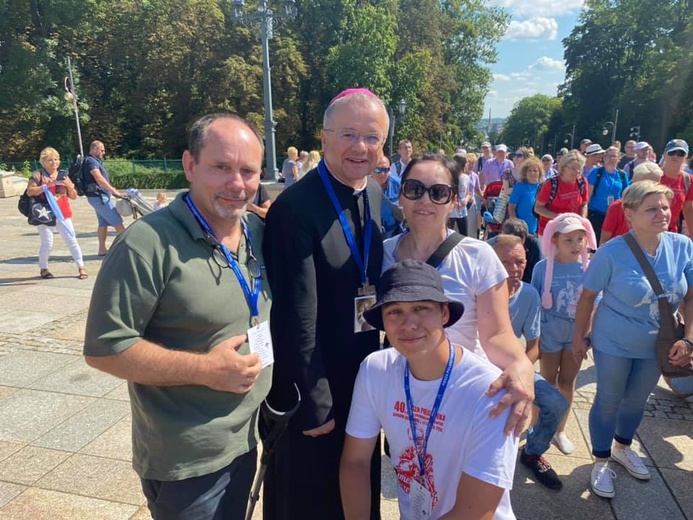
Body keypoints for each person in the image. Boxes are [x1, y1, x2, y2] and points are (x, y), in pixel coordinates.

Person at [83, 113, 271, 519]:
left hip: (246, 437)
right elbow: (104, 348)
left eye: (247, 171)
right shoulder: (147, 243)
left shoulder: (256, 231)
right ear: (189, 165)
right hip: (189, 462)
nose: (237, 184)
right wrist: (205, 369)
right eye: (221, 167)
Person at [262, 88, 387, 520]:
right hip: (315, 385)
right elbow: (295, 315)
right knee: (314, 496)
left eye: (372, 137)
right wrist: (315, 399)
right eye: (349, 134)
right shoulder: (295, 208)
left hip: (361, 377)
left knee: (357, 489)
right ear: (325, 137)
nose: (360, 147)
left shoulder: (373, 193)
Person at [340, 260, 519, 519]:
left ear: (445, 314)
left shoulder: (489, 391)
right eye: (394, 312)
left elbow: (477, 511)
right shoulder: (375, 370)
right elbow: (355, 462)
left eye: (421, 308)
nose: (409, 324)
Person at [383, 154, 535, 437]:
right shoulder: (382, 254)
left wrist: (521, 364)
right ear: (400, 196)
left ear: (454, 201)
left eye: (438, 192)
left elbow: (497, 334)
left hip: (461, 393)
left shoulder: (478, 256)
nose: (425, 200)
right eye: (414, 189)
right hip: (401, 396)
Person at [573, 181, 693, 499]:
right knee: (609, 400)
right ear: (630, 213)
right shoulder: (613, 252)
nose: (662, 213)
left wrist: (690, 339)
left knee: (637, 401)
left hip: (657, 345)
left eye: (665, 207)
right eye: (651, 208)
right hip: (613, 341)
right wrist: (578, 339)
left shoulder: (683, 246)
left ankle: (622, 447)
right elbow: (587, 297)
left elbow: (692, 297)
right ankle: (600, 459)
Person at [493, 235, 568, 490]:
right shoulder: (478, 292)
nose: (514, 269)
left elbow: (535, 346)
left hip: (514, 367)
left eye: (519, 262)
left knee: (557, 403)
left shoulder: (529, 295)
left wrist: (520, 372)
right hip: (481, 367)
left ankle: (533, 451)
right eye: (505, 262)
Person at [531, 213, 597, 456]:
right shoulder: (542, 267)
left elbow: (594, 304)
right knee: (547, 382)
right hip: (550, 331)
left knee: (568, 381)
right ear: (555, 240)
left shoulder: (589, 268)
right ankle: (536, 425)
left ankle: (560, 430)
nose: (576, 245)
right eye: (569, 240)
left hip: (576, 333)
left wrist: (587, 337)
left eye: (580, 239)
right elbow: (536, 301)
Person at [26, 147, 87, 280]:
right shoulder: (38, 175)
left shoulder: (64, 175)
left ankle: (81, 267)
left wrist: (70, 187)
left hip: (63, 213)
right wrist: (45, 186)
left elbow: (73, 196)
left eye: (56, 159)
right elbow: (30, 191)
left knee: (72, 240)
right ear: (43, 162)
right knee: (47, 242)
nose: (54, 162)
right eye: (50, 160)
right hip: (45, 214)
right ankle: (44, 268)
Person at [600, 162, 663, 246]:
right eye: (647, 184)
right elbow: (604, 241)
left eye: (656, 184)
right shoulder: (618, 207)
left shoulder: (662, 208)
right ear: (635, 183)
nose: (652, 189)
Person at [83, 140, 125, 256]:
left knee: (103, 223)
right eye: (102, 150)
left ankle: (102, 249)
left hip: (99, 196)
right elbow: (98, 177)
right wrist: (113, 190)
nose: (104, 152)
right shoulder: (91, 161)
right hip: (99, 197)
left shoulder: (94, 161)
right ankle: (129, 248)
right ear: (94, 149)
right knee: (117, 221)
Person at [534, 151, 589, 236]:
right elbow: (538, 208)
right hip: (551, 232)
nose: (577, 171)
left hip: (572, 230)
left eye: (580, 168)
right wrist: (558, 217)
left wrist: (582, 220)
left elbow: (584, 204)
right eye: (573, 168)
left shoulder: (582, 182)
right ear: (563, 167)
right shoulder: (551, 184)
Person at [586, 146, 630, 243]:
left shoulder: (622, 175)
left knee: (613, 243)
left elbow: (626, 195)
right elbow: (588, 195)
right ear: (604, 158)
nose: (612, 159)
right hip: (597, 214)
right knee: (596, 244)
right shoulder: (596, 173)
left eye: (614, 156)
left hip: (615, 214)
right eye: (609, 156)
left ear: (618, 159)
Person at [487, 218, 544, 284]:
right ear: (501, 235)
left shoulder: (534, 245)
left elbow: (538, 274)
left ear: (525, 238)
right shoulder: (489, 247)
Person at [660, 139, 691, 233]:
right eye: (672, 152)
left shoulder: (688, 180)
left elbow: (688, 209)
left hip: (671, 231)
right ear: (665, 155)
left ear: (686, 157)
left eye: (680, 154)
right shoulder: (654, 175)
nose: (675, 156)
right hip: (648, 230)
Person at [508, 156, 544, 235]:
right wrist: (516, 226)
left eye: (535, 171)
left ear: (539, 172)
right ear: (525, 172)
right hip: (521, 230)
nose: (532, 173)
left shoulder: (543, 187)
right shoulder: (519, 186)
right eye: (529, 170)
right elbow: (511, 208)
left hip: (538, 230)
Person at [371, 155, 402, 238]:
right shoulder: (363, 185)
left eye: (386, 170)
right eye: (378, 170)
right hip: (371, 231)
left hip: (393, 231)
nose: (382, 174)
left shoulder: (399, 184)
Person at [447, 154, 470, 236]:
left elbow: (468, 193)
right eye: (466, 163)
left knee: (464, 234)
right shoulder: (450, 178)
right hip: (451, 211)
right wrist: (454, 203)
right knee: (448, 234)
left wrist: (466, 200)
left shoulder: (466, 178)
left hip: (463, 211)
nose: (468, 165)